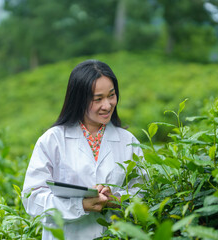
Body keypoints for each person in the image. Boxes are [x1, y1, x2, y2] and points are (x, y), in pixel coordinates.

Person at [22, 59, 143, 240]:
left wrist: (116, 201)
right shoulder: (53, 140)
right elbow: (32, 200)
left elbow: (144, 192)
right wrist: (80, 205)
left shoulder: (128, 142)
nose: (107, 105)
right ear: (78, 100)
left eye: (111, 95)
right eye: (98, 99)